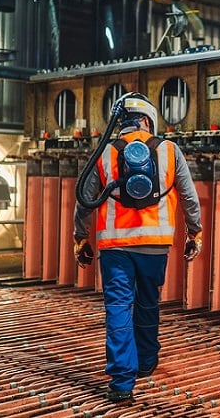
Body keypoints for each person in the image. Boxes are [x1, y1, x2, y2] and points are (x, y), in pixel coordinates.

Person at [72, 92, 202, 403]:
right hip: (156, 245)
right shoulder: (169, 150)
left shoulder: (105, 153)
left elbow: (84, 201)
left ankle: (121, 381)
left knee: (118, 307)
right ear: (148, 119)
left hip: (116, 247)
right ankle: (146, 362)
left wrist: (81, 237)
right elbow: (188, 197)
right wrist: (194, 232)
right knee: (148, 303)